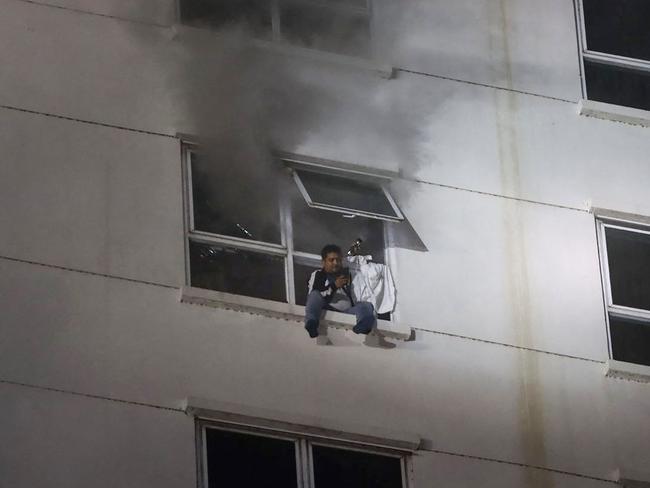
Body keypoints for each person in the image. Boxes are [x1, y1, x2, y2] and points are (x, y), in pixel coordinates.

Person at [304, 244, 375, 338]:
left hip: (346, 313)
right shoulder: (319, 275)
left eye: (338, 260)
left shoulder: (347, 276)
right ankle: (311, 323)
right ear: (323, 262)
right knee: (314, 295)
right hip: (327, 309)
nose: (335, 263)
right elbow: (315, 296)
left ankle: (364, 326)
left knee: (366, 305)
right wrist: (334, 286)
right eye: (331, 260)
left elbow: (355, 299)